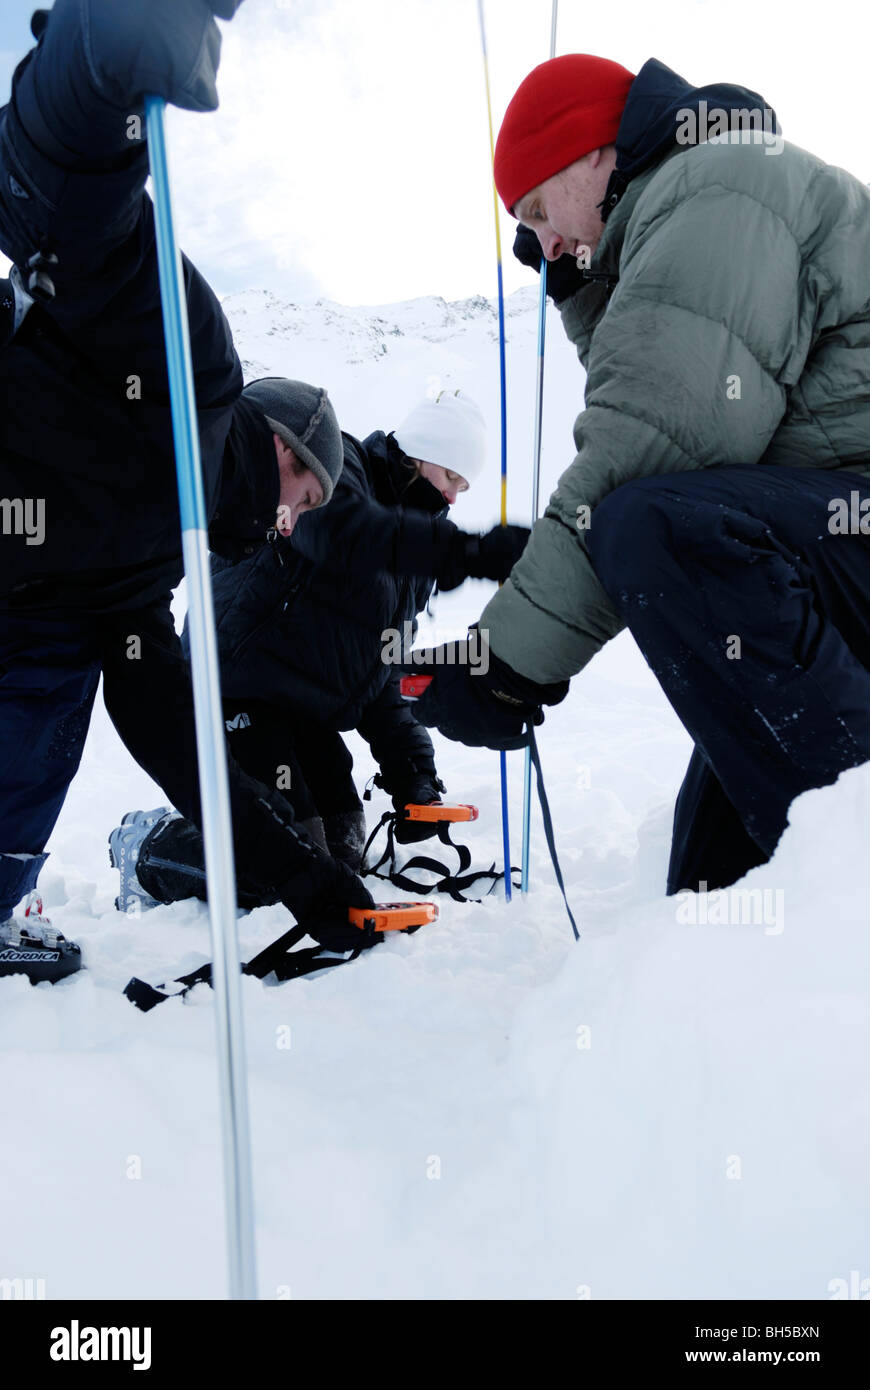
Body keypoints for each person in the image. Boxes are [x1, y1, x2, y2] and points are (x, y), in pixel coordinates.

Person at [406, 53, 870, 894]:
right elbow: (666, 391)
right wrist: (583, 289)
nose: (543, 242)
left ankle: (854, 874)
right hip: (836, 542)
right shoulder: (693, 205)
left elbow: (655, 442)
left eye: (539, 209)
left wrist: (506, 662)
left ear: (592, 152)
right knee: (708, 886)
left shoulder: (725, 183)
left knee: (649, 524)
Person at [0, 0, 376, 981]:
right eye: (309, 485)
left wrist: (299, 875)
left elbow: (169, 721)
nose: (295, 520)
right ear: (284, 443)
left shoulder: (160, 558)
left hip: (35, 609)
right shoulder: (195, 365)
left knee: (55, 688)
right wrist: (102, 52)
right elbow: (67, 208)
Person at [112, 390, 530, 908]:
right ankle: (148, 849)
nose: (451, 499)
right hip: (233, 685)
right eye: (451, 480)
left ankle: (222, 835)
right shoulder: (339, 474)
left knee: (342, 844)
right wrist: (468, 554)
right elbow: (339, 533)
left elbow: (381, 670)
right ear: (424, 454)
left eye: (463, 489)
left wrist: (413, 777)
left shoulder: (412, 555)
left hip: (302, 713)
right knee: (282, 864)